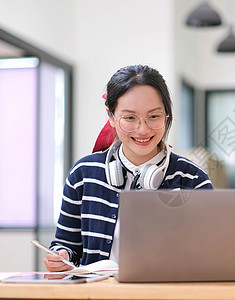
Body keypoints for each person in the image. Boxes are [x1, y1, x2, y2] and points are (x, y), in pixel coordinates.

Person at [44, 65, 213, 272]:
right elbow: (67, 245)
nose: (143, 130)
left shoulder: (192, 179)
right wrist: (61, 256)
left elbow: (209, 253)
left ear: (167, 115)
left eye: (154, 116)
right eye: (130, 118)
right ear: (112, 117)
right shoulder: (84, 174)